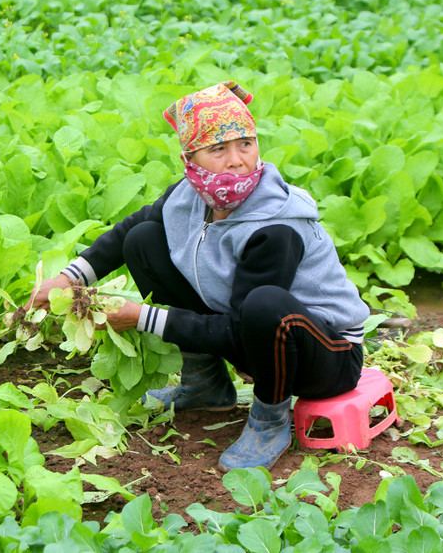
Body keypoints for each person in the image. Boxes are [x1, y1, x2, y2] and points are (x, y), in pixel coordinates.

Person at [26, 80, 369, 472]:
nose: (237, 159)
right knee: (144, 239)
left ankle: (270, 419)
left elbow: (245, 325)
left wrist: (142, 316)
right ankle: (205, 384)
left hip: (326, 355)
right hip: (253, 333)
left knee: (264, 303)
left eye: (246, 143)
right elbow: (127, 232)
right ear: (190, 157)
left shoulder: (277, 225)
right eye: (218, 149)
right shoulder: (190, 195)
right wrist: (69, 279)